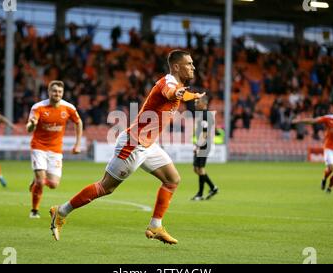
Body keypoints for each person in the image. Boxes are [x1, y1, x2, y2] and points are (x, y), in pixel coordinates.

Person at [49, 50, 205, 244]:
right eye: (189, 63)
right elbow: (169, 92)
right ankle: (61, 211)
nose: (193, 67)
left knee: (172, 179)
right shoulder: (168, 83)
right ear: (176, 67)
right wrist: (180, 93)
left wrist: (191, 95)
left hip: (148, 145)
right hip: (133, 144)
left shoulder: (177, 85)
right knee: (105, 187)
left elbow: (178, 94)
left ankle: (155, 226)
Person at [26, 80, 83, 219]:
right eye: (54, 91)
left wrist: (78, 144)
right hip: (38, 147)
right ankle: (34, 210)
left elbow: (78, 122)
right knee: (41, 182)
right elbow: (29, 128)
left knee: (53, 184)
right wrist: (32, 124)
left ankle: (36, 181)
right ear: (49, 92)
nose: (57, 94)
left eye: (59, 92)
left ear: (62, 93)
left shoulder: (68, 108)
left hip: (56, 150)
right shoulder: (38, 107)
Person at [191, 96, 219, 201]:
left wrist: (198, 145)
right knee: (196, 169)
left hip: (204, 144)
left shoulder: (206, 115)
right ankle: (213, 187)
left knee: (200, 168)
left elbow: (205, 132)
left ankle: (200, 194)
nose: (195, 104)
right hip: (200, 144)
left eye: (197, 102)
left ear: (203, 103)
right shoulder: (202, 114)